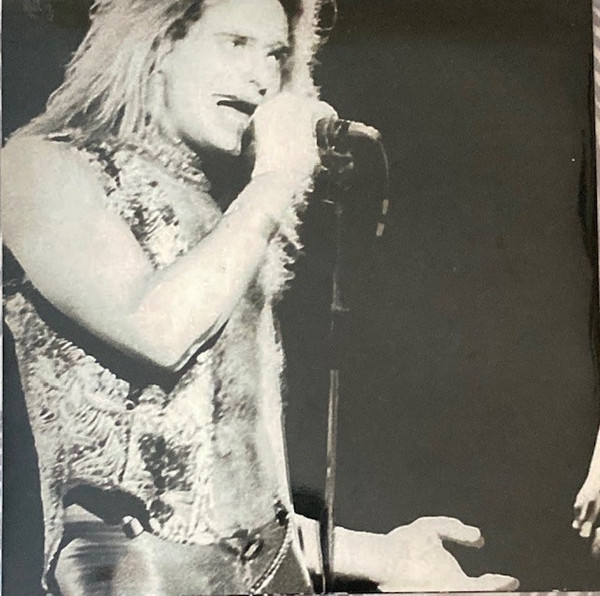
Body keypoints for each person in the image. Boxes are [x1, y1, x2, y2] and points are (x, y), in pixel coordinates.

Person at [3, 0, 520, 593]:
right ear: (159, 47)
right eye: (235, 43)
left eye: (275, 54)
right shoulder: (38, 168)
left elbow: (240, 512)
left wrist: (383, 556)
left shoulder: (222, 210)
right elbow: (157, 330)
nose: (261, 77)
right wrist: (274, 179)